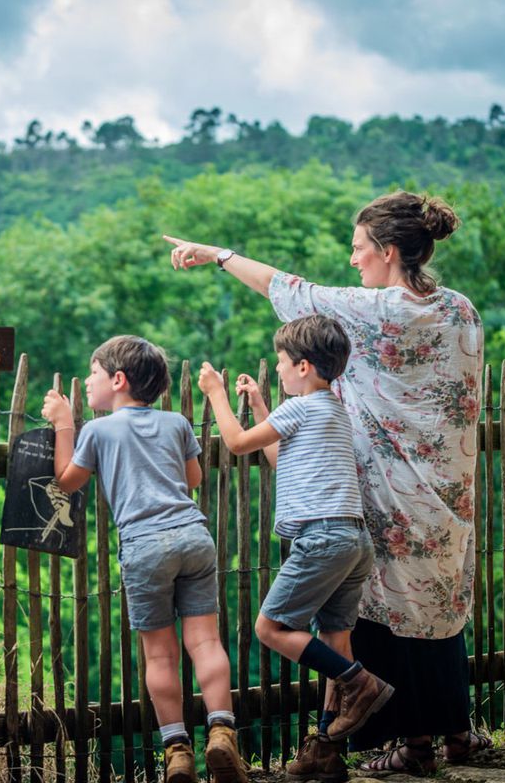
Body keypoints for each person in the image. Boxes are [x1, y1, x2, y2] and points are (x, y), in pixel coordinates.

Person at [166, 190, 485, 777]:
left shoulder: (370, 309)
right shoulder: (461, 311)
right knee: (438, 611)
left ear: (388, 252)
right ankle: (455, 734)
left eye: (360, 248)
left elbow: (284, 288)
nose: (353, 259)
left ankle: (412, 744)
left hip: (385, 495)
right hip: (448, 494)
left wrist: (217, 254)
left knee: (381, 620)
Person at [41, 336, 248, 783]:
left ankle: (177, 751)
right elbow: (193, 478)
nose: (88, 382)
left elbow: (67, 481)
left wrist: (64, 424)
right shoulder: (176, 422)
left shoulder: (97, 431)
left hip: (144, 546)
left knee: (160, 654)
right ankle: (221, 732)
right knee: (205, 643)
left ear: (118, 380)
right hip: (193, 537)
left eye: (94, 373)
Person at [199, 315, 390, 782]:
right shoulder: (332, 410)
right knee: (335, 641)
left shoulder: (301, 408)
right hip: (353, 540)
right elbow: (279, 458)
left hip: (320, 539)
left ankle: (361, 683)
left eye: (282, 362)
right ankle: (325, 751)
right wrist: (261, 405)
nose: (279, 369)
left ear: (303, 366)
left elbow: (237, 443)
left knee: (270, 627)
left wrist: (216, 394)